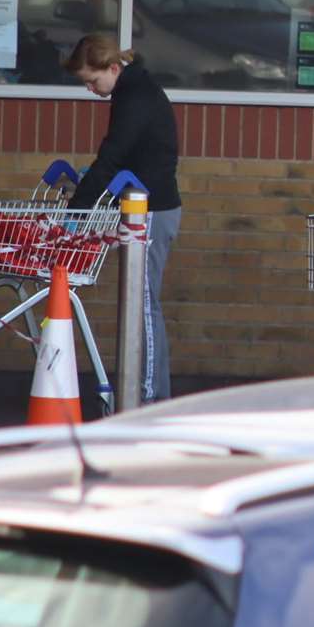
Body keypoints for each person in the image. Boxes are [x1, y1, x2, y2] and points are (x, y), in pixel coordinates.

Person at [64, 34, 182, 403]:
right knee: (144, 305)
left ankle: (145, 398)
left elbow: (113, 155)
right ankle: (151, 394)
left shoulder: (135, 98)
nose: (90, 89)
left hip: (150, 211)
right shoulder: (133, 90)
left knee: (144, 307)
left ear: (113, 68)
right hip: (146, 206)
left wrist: (77, 211)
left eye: (93, 80)